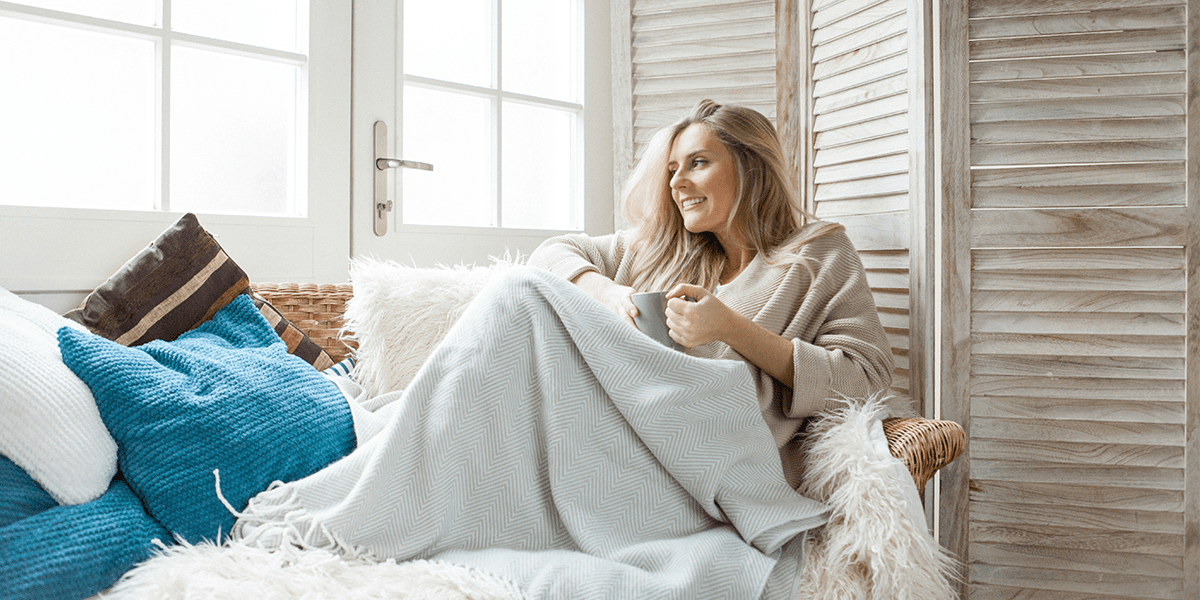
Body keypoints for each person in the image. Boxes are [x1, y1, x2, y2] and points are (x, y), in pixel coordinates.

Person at [528, 99, 895, 490]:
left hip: (718, 465)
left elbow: (866, 378)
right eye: (672, 170)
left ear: (749, 166)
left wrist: (729, 327)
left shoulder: (818, 253)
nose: (676, 183)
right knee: (516, 293)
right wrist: (610, 293)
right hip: (617, 438)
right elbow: (548, 254)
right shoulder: (662, 249)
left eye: (697, 163)